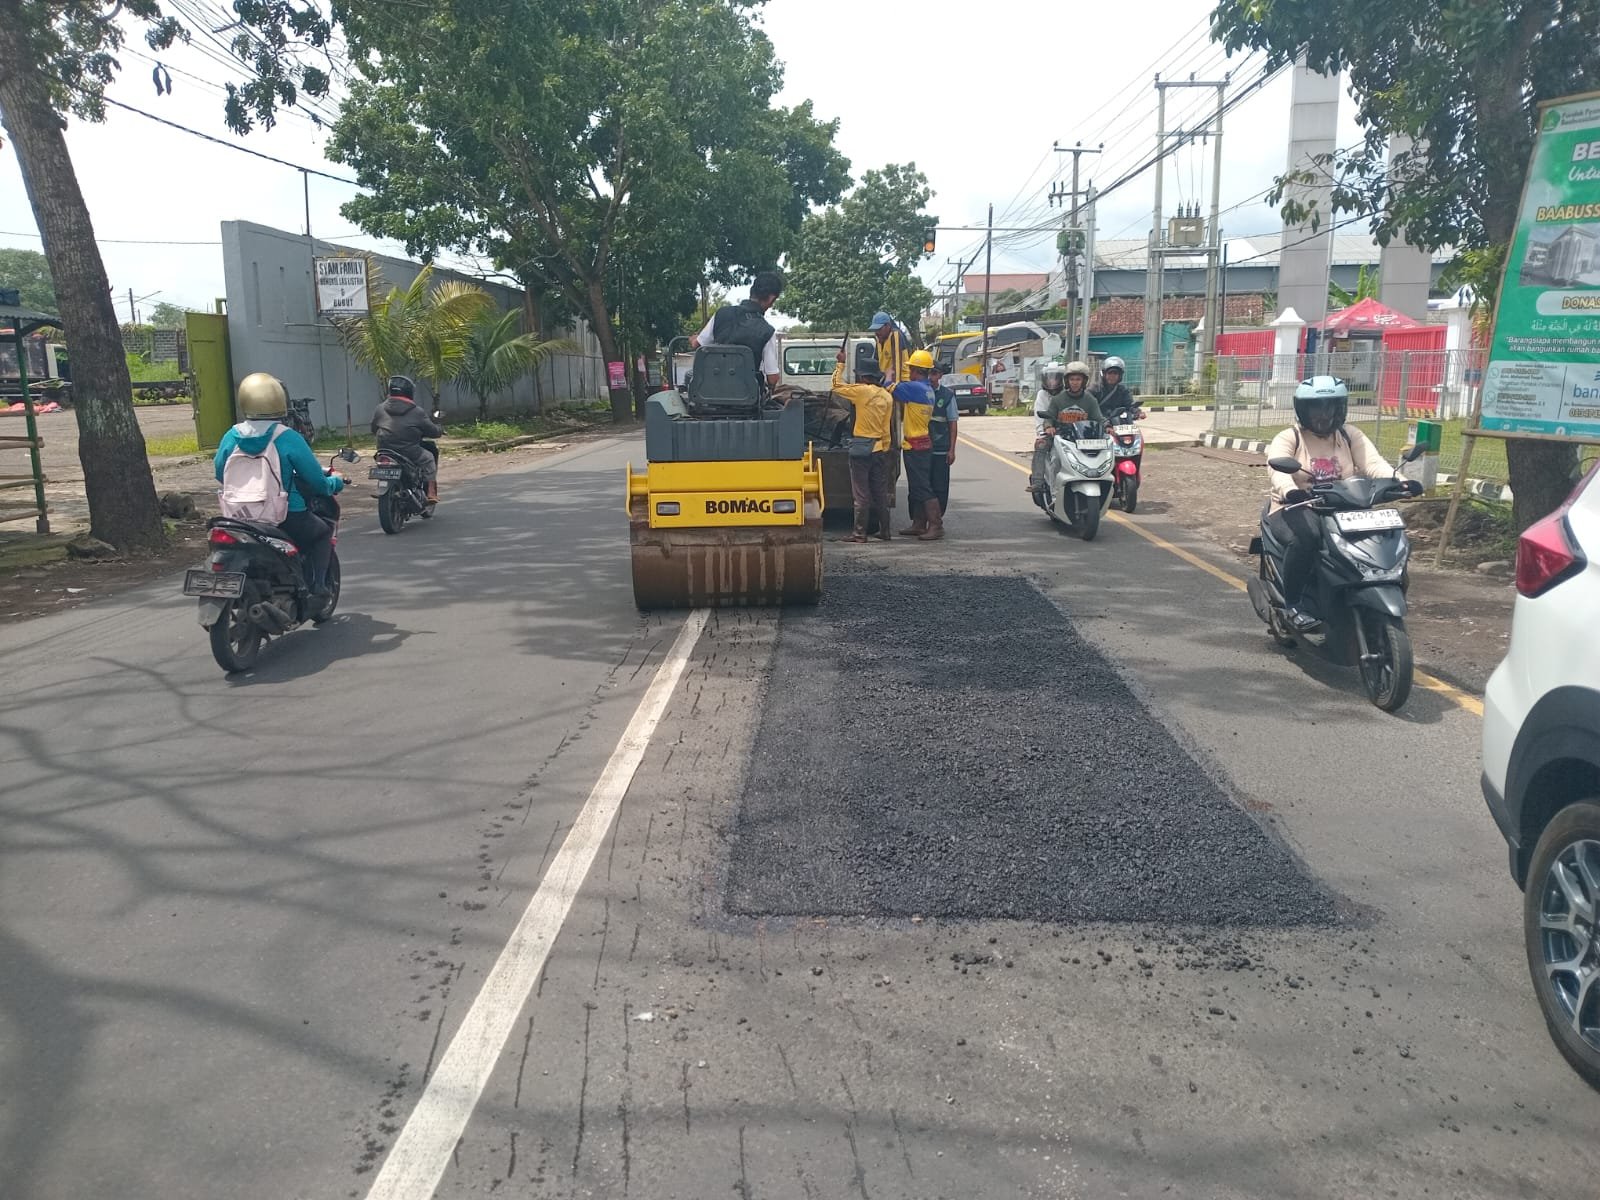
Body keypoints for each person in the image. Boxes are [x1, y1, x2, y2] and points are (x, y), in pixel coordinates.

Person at [1267, 376, 1402, 630]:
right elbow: (1277, 467)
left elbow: (1373, 463)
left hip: (1344, 506)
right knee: (1307, 537)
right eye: (1316, 407)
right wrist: (1290, 490)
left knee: (1383, 536)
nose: (1324, 414)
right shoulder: (1290, 437)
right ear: (1303, 409)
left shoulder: (1349, 435)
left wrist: (1400, 482)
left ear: (1340, 408)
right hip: (1296, 506)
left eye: (1330, 406)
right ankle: (1294, 604)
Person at [214, 371, 345, 607]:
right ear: (279, 402)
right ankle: (318, 588)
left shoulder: (231, 436)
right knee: (322, 533)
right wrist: (335, 483)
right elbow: (316, 481)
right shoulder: (287, 437)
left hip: (238, 517)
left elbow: (219, 473)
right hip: (285, 515)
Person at [831, 350, 895, 542]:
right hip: (879, 449)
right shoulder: (887, 397)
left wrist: (840, 364)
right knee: (880, 493)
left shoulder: (861, 392)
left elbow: (836, 386)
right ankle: (885, 531)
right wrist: (885, 448)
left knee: (861, 494)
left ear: (863, 377)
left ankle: (859, 533)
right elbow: (886, 428)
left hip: (861, 450)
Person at [691, 270, 785, 392]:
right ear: (771, 298)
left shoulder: (721, 314)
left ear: (752, 291)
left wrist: (693, 339)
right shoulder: (767, 331)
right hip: (747, 398)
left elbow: (697, 345)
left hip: (710, 393)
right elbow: (772, 378)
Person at [1030, 360, 1103, 495]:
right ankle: (1041, 484)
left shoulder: (1090, 400)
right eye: (1072, 379)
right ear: (1067, 381)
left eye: (1078, 379)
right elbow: (1049, 416)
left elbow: (1099, 418)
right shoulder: (1058, 399)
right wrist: (1048, 427)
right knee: (1050, 454)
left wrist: (1108, 427)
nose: (1075, 382)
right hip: (1060, 436)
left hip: (1082, 438)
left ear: (1084, 381)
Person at [371, 375, 444, 506]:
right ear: (410, 392)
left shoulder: (380, 409)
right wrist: (439, 429)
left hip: (384, 450)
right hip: (410, 451)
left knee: (381, 461)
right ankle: (431, 492)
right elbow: (433, 432)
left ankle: (382, 484)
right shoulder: (417, 412)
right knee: (429, 458)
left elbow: (373, 429)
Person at [895, 349, 943, 540]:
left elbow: (890, 387)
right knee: (916, 486)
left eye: (910, 369)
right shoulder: (927, 389)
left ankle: (936, 525)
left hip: (916, 446)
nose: (909, 372)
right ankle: (919, 523)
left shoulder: (915, 388)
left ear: (916, 370)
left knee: (922, 487)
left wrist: (888, 376)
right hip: (920, 444)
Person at [928, 364, 959, 517]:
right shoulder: (918, 392)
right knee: (922, 486)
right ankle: (920, 521)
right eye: (927, 373)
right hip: (921, 449)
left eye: (934, 373)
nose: (930, 377)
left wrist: (951, 450)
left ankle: (937, 519)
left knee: (940, 486)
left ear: (940, 375)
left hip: (940, 449)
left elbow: (953, 423)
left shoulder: (947, 396)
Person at [1091, 355, 1140, 420]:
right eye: (1110, 373)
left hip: (1117, 421)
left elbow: (1129, 405)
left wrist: (1137, 412)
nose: (1112, 376)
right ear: (1104, 374)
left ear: (1120, 375)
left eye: (1115, 373)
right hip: (1098, 421)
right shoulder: (1095, 389)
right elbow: (1088, 406)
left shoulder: (1123, 390)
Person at [870, 310, 909, 387]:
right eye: (875, 330)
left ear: (888, 326)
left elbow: (897, 364)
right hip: (886, 379)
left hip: (901, 380)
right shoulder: (878, 339)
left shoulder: (895, 335)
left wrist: (896, 386)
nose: (877, 332)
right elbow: (876, 362)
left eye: (879, 329)